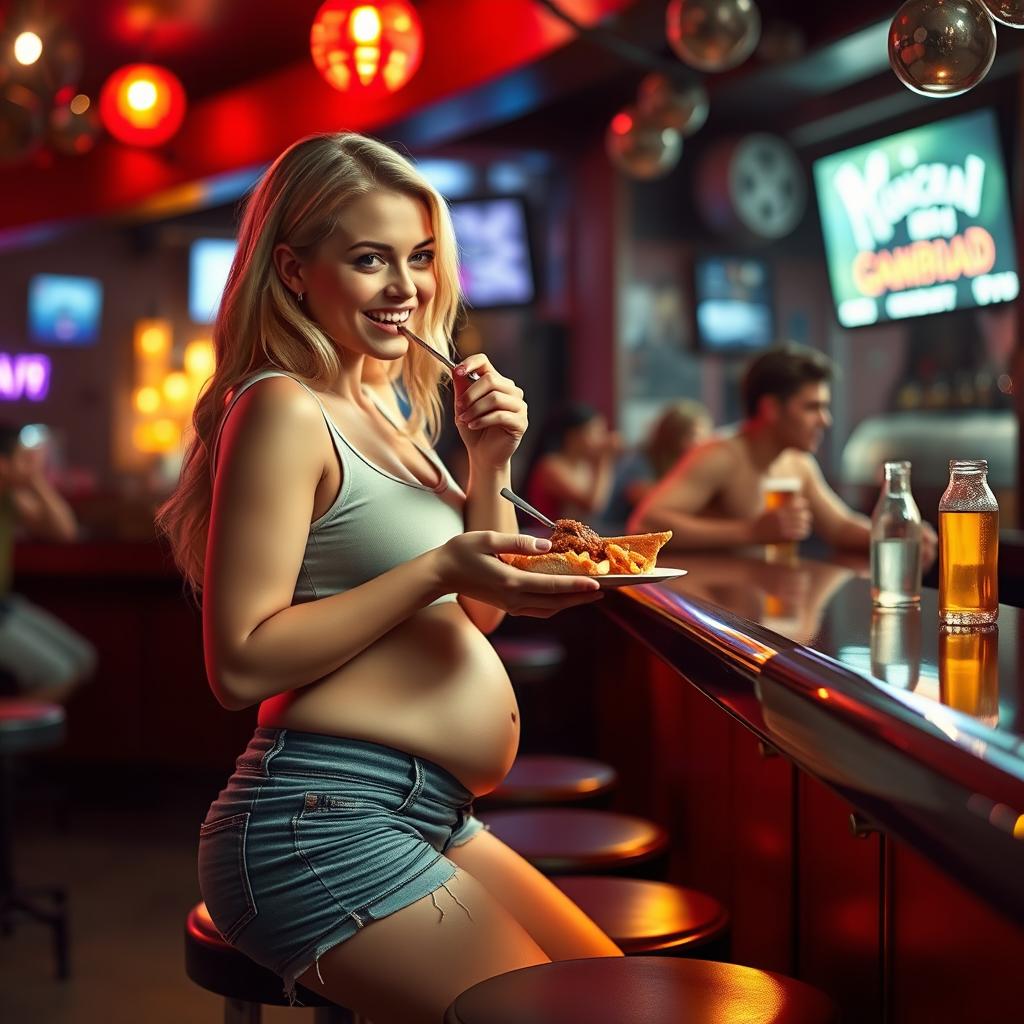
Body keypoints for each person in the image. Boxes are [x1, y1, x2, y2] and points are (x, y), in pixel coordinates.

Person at [155, 133, 619, 1024]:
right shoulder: (281, 406)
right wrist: (434, 563)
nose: (405, 287)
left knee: (619, 998)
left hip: (431, 810)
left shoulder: (387, 406)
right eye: (369, 259)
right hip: (317, 817)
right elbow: (239, 665)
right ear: (293, 270)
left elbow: (477, 611)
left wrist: (488, 462)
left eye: (419, 258)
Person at [629, 344, 938, 562]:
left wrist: (895, 533)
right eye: (811, 407)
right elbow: (645, 525)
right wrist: (749, 531)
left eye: (825, 407)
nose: (825, 420)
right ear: (771, 408)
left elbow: (839, 526)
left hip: (767, 609)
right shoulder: (721, 455)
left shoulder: (798, 463)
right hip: (711, 622)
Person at [0, 423, 95, 700]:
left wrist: (34, 481)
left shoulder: (9, 498)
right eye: (22, 458)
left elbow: (65, 532)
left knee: (83, 660)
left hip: (4, 605)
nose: (29, 464)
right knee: (59, 674)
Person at [606, 399, 712, 527]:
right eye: (694, 435)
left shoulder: (681, 461)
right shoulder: (639, 461)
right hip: (612, 535)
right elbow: (646, 500)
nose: (702, 442)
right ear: (672, 435)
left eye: (705, 434)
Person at [522, 402, 622, 525]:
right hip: (546, 539)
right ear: (572, 436)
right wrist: (604, 459)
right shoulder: (550, 466)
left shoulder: (586, 465)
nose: (602, 439)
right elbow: (592, 505)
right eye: (595, 432)